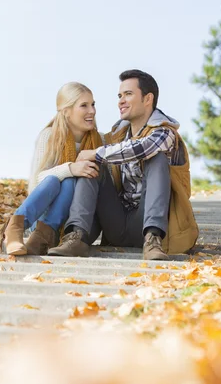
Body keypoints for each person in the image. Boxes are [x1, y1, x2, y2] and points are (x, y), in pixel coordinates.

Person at [48, 69, 198, 260]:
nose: (121, 101)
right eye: (119, 95)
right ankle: (76, 237)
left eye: (128, 94)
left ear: (147, 99)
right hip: (116, 223)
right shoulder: (117, 135)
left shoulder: (165, 133)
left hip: (152, 225)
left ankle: (153, 240)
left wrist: (96, 152)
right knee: (93, 166)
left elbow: (143, 148)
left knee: (156, 157)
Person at [0, 82, 102, 255]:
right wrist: (70, 168)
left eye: (93, 104)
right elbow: (36, 184)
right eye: (84, 105)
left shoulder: (100, 143)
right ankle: (16, 229)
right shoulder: (49, 136)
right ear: (66, 111)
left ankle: (41, 237)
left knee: (69, 182)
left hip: (78, 224)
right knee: (57, 179)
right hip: (43, 217)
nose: (92, 111)